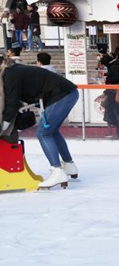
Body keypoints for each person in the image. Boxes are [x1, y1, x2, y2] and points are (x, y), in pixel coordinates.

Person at [0, 56, 80, 189]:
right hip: (69, 92)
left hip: (61, 95)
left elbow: (12, 102)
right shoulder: (14, 70)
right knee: (52, 132)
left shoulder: (10, 74)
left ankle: (57, 171)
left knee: (43, 133)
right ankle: (69, 165)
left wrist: (5, 124)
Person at [99, 47, 119, 139]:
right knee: (116, 113)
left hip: (114, 93)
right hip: (115, 92)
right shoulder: (117, 65)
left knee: (115, 113)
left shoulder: (114, 67)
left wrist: (108, 79)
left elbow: (117, 78)